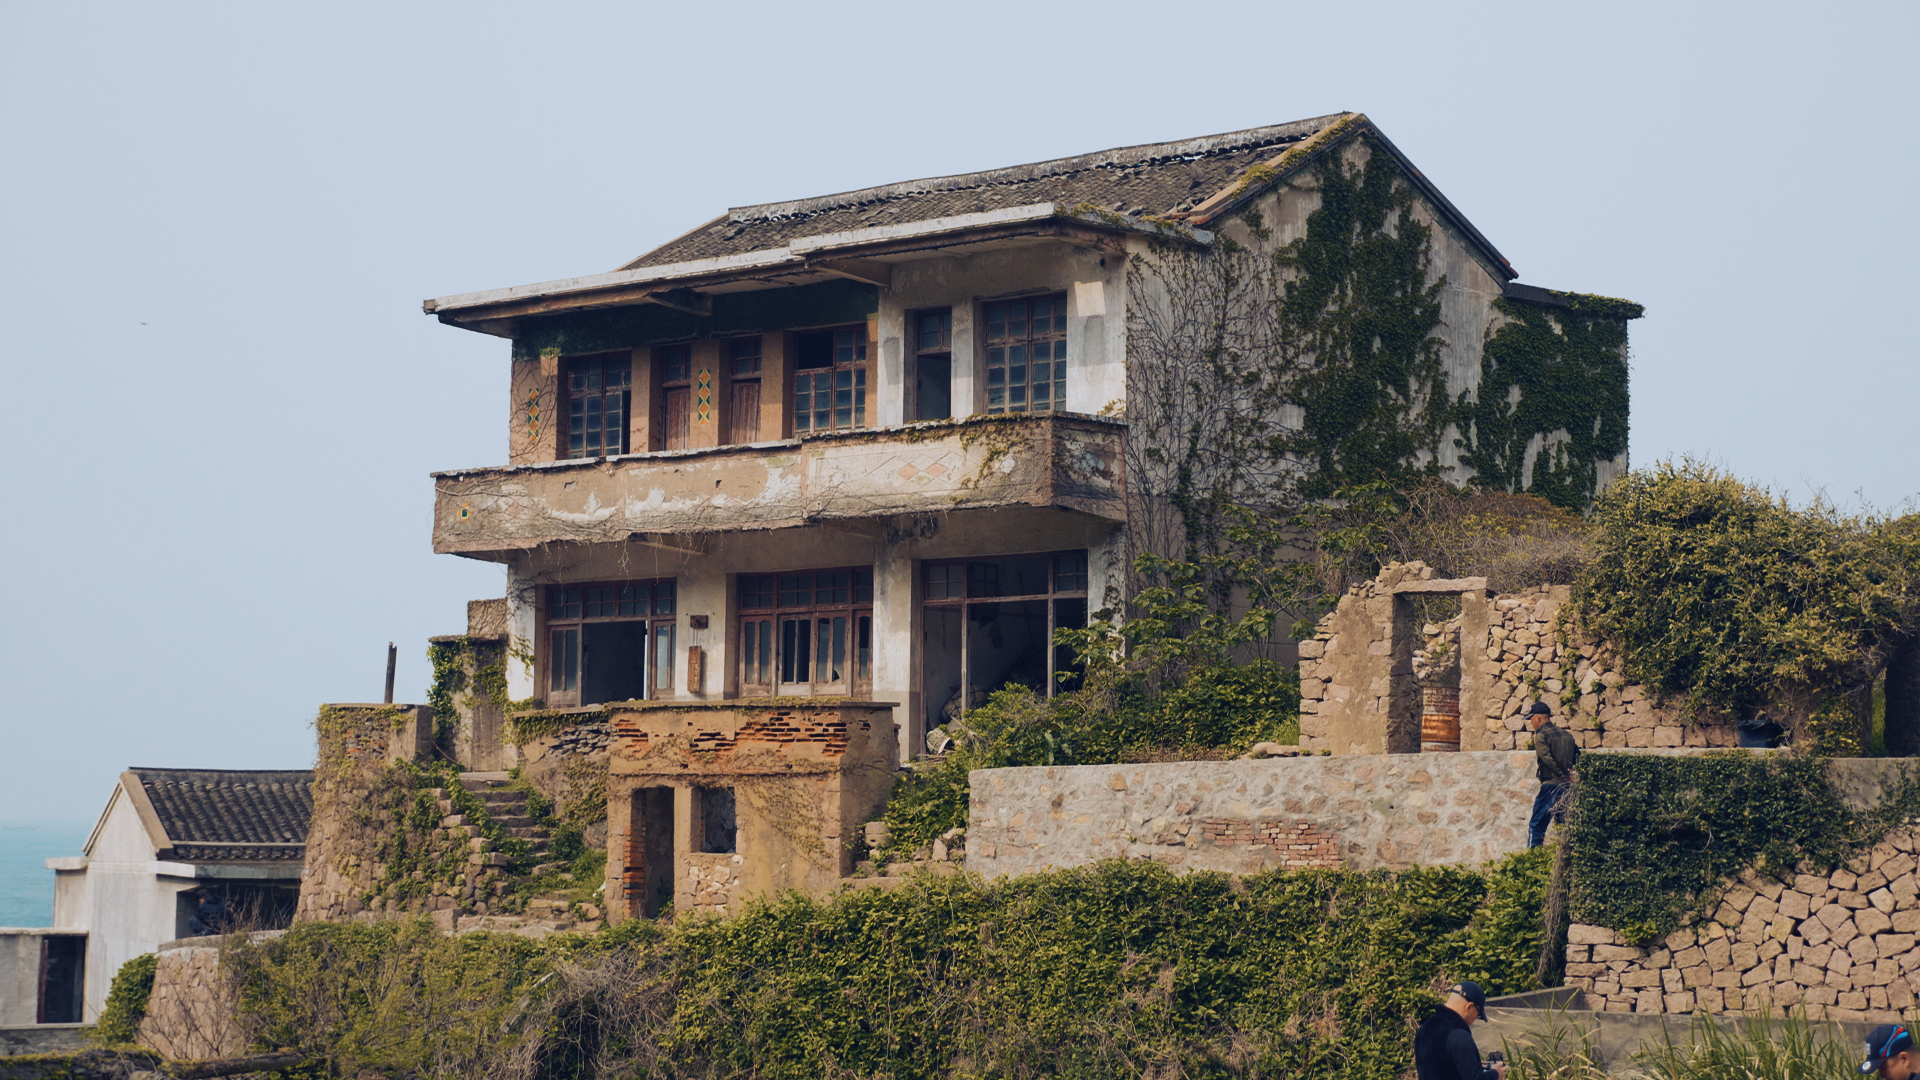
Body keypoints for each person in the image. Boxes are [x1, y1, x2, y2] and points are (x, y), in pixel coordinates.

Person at [1413, 981, 1505, 1080]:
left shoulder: (1424, 1029)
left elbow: (1439, 1067)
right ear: (1469, 1007)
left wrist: (1470, 1065)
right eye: (1478, 1015)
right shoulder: (1459, 1036)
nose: (1474, 1020)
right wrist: (1495, 1073)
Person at [1527, 702, 1579, 848]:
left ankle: (1532, 858)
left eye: (1531, 719)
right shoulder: (1567, 735)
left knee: (1536, 825)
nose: (1531, 723)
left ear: (1537, 718)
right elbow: (1578, 755)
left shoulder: (1540, 735)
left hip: (1551, 785)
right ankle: (1566, 862)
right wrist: (1572, 774)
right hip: (1567, 786)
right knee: (1564, 826)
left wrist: (1563, 774)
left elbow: (1548, 759)